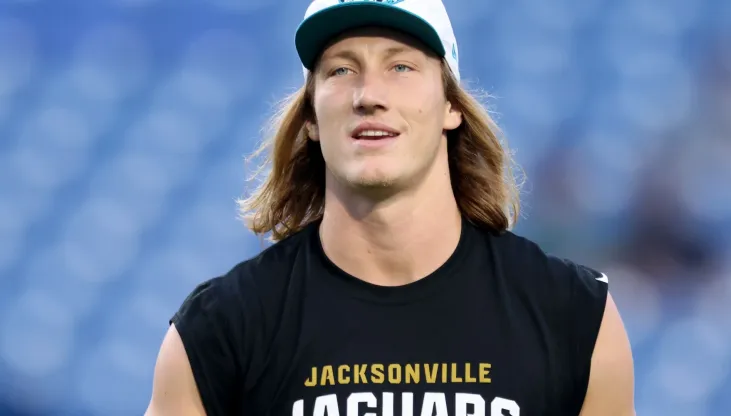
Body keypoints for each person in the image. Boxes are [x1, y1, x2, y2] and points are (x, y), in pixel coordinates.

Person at [145, 0, 635, 415]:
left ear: (451, 105)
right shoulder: (219, 332)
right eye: (341, 69)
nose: (369, 96)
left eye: (401, 66)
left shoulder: (573, 317)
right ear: (311, 116)